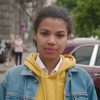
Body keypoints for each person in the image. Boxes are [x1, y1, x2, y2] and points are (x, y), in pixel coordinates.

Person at [0, 5, 97, 100]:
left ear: (67, 38)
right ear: (35, 35)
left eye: (60, 35)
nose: (51, 41)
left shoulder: (83, 80)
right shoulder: (11, 79)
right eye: (45, 33)